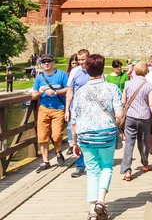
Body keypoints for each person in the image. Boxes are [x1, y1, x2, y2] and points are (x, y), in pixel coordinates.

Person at [71, 54, 122, 220]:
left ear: (86, 69)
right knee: (106, 166)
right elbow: (119, 114)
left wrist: (74, 142)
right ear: (103, 68)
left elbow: (74, 120)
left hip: (85, 135)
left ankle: (92, 211)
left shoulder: (80, 92)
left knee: (92, 171)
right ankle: (101, 201)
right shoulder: (112, 89)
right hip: (106, 134)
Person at [120, 61, 152, 181]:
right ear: (146, 72)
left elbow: (123, 102)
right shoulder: (149, 86)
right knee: (143, 142)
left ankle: (127, 170)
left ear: (135, 71)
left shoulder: (127, 84)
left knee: (129, 143)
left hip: (131, 117)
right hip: (144, 117)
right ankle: (145, 163)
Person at [31, 54, 68, 173]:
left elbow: (68, 89)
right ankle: (45, 161)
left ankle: (58, 151)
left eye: (48, 61)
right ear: (41, 64)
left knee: (57, 135)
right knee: (42, 136)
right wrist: (39, 92)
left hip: (58, 108)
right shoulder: (39, 77)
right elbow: (34, 95)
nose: (46, 64)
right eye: (44, 62)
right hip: (44, 108)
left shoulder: (61, 74)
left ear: (53, 62)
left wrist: (56, 92)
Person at [65, 48, 90, 177]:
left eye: (83, 59)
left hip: (91, 109)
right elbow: (70, 91)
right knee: (77, 136)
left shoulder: (94, 70)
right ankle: (80, 165)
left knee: (90, 136)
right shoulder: (75, 71)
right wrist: (67, 109)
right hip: (77, 108)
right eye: (79, 60)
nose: (81, 62)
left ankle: (91, 163)